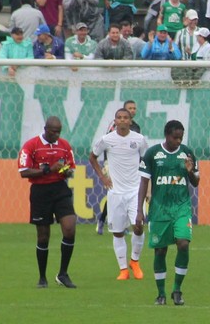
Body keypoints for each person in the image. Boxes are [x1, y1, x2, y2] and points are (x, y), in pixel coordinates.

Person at [135, 120, 200, 306]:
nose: (178, 141)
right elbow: (144, 183)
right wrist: (139, 210)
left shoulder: (187, 154)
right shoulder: (152, 154)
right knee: (160, 251)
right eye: (175, 137)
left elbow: (196, 182)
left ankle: (177, 290)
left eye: (181, 137)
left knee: (183, 244)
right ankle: (161, 294)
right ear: (166, 135)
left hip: (181, 208)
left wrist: (190, 172)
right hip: (159, 210)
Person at [18, 116, 77, 288]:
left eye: (59, 132)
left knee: (69, 228)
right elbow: (24, 171)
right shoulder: (31, 146)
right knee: (43, 236)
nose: (57, 135)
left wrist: (65, 171)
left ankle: (63, 274)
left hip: (60, 189)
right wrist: (48, 170)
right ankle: (42, 277)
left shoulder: (64, 145)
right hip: (40, 191)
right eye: (53, 132)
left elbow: (71, 168)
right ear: (45, 129)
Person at [89, 108, 149, 280]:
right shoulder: (106, 140)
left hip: (135, 190)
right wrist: (102, 177)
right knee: (117, 232)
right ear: (115, 121)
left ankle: (135, 261)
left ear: (130, 121)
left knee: (138, 225)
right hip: (115, 192)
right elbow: (92, 157)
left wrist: (147, 188)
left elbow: (146, 163)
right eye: (119, 118)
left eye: (125, 118)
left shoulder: (139, 140)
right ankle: (123, 269)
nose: (122, 120)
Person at [96, 101, 142, 234]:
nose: (132, 110)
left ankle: (124, 224)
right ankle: (103, 219)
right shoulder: (114, 126)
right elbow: (108, 142)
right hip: (112, 163)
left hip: (131, 166)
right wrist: (105, 166)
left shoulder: (137, 128)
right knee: (115, 191)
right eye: (130, 108)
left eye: (134, 108)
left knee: (128, 194)